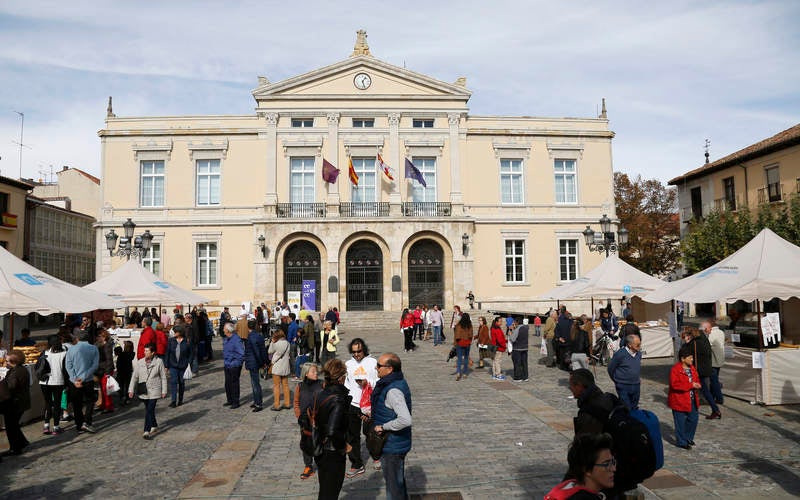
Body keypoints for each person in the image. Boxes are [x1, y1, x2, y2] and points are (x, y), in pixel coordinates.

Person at [372, 352, 412, 500]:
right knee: (398, 483)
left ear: (389, 369)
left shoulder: (393, 390)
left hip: (392, 445)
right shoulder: (394, 382)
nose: (376, 368)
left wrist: (384, 426)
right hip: (395, 443)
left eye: (379, 366)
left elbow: (405, 420)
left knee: (393, 489)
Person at [314, 358, 352, 500]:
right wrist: (344, 445)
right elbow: (332, 430)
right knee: (331, 491)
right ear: (341, 377)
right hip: (332, 451)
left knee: (325, 489)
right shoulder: (338, 399)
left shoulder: (321, 393)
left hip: (320, 447)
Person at [344, 338, 378, 478]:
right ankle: (356, 463)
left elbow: (380, 380)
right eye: (354, 352)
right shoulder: (348, 364)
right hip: (352, 404)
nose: (357, 354)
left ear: (364, 349)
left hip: (369, 404)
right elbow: (346, 383)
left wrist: (367, 382)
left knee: (371, 434)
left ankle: (376, 456)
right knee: (352, 436)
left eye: (359, 351)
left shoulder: (373, 362)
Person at [545, 433, 616, 499]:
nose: (613, 468)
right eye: (606, 464)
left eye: (612, 462)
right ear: (586, 469)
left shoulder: (568, 485)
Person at [128, 343, 167, 439]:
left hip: (155, 389)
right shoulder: (140, 362)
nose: (144, 352)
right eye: (144, 350)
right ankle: (154, 424)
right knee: (149, 410)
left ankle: (146, 430)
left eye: (147, 351)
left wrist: (164, 390)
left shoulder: (159, 362)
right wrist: (131, 390)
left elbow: (163, 377)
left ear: (153, 352)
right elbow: (134, 377)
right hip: (143, 390)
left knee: (149, 410)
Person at [65, 330, 99, 434]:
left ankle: (79, 424)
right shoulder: (94, 348)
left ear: (77, 338)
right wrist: (83, 377)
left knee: (77, 403)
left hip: (74, 381)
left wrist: (75, 378)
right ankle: (87, 422)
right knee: (89, 401)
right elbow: (95, 365)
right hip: (88, 379)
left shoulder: (71, 349)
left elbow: (68, 366)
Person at [294, 362, 323, 480]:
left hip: (319, 419)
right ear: (306, 374)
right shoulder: (300, 386)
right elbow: (296, 403)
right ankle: (308, 466)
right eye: (313, 371)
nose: (316, 373)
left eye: (316, 371)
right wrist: (299, 416)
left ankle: (322, 464)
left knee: (320, 442)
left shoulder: (322, 384)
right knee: (306, 444)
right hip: (305, 420)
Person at [669, 345, 701, 449]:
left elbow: (696, 379)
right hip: (679, 400)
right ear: (683, 359)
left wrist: (697, 384)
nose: (692, 359)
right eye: (690, 358)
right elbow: (674, 385)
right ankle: (681, 442)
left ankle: (688, 438)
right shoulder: (675, 370)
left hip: (692, 399)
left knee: (693, 419)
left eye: (692, 357)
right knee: (680, 422)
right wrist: (690, 385)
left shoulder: (692, 369)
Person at [568, 368, 618, 436]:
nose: (570, 388)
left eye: (571, 385)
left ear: (579, 386)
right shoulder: (606, 398)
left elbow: (587, 441)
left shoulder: (589, 411)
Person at [0, 350, 31, 455]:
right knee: (14, 424)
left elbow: (11, 387)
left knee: (11, 426)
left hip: (15, 403)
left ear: (13, 361)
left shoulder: (16, 372)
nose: (6, 362)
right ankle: (22, 442)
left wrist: (2, 382)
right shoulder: (22, 369)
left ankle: (15, 448)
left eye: (8, 360)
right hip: (21, 401)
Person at [687, 326, 720, 419]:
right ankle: (715, 409)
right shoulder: (705, 340)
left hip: (699, 370)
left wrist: (686, 343)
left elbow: (686, 353)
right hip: (706, 368)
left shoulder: (695, 343)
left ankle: (714, 409)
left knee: (702, 390)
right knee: (704, 389)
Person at [40, 335, 68, 435]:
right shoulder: (64, 354)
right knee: (57, 404)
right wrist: (67, 383)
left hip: (44, 382)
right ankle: (56, 427)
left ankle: (46, 426)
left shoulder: (44, 353)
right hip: (58, 381)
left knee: (48, 404)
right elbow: (65, 370)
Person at [607, 334, 642, 411]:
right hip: (623, 385)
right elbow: (610, 368)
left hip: (636, 385)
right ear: (630, 345)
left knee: (634, 407)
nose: (640, 346)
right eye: (638, 344)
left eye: (640, 344)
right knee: (626, 408)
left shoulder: (639, 353)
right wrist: (617, 380)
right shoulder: (620, 354)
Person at [244, 317, 268, 412]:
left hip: (254, 362)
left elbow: (256, 351)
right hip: (255, 361)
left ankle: (258, 403)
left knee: (255, 383)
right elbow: (262, 350)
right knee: (254, 383)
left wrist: (261, 362)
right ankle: (256, 401)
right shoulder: (259, 335)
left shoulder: (251, 336)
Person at [165, 325, 192, 407]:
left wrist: (189, 363)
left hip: (183, 365)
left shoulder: (187, 342)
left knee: (181, 383)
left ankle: (180, 399)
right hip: (173, 365)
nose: (173, 333)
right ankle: (173, 401)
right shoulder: (171, 341)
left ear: (179, 333)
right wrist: (166, 365)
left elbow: (191, 353)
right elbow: (167, 353)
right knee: (173, 382)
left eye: (175, 331)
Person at [702, 319, 726, 407]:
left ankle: (719, 398)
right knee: (714, 379)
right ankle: (712, 397)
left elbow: (707, 344)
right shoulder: (721, 332)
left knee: (714, 380)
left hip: (713, 360)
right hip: (719, 359)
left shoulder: (711, 334)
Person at [222, 322, 244, 409]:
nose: (223, 330)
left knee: (234, 383)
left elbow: (241, 353)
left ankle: (235, 401)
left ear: (228, 330)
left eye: (224, 328)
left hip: (234, 365)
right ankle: (229, 399)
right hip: (227, 364)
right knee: (227, 383)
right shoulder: (226, 339)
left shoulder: (236, 339)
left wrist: (235, 361)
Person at [268, 330, 292, 411]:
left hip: (277, 366)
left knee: (276, 386)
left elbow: (270, 351)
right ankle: (287, 403)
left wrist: (272, 342)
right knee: (285, 385)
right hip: (285, 366)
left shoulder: (276, 344)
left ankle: (277, 405)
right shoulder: (287, 343)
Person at [95, 329, 116, 413]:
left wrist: (107, 372)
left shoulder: (107, 345)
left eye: (100, 336)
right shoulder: (100, 344)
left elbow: (109, 359)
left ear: (104, 337)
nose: (98, 337)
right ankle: (103, 405)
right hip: (101, 369)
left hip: (106, 370)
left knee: (106, 389)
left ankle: (108, 406)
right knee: (102, 389)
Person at [453, 312, 473, 381]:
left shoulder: (459, 324)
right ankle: (464, 373)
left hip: (460, 343)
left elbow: (456, 335)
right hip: (467, 343)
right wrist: (469, 341)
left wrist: (455, 343)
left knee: (459, 358)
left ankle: (458, 372)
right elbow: (471, 335)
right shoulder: (469, 325)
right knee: (466, 358)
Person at [509, 316, 530, 381]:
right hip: (525, 348)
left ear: (517, 322)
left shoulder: (517, 329)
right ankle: (525, 376)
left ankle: (518, 377)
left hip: (517, 349)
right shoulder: (526, 328)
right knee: (524, 363)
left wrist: (510, 332)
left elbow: (513, 339)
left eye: (514, 322)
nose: (514, 323)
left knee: (517, 363)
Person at [116, 341, 135, 406]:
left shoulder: (122, 354)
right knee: (127, 386)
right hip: (128, 371)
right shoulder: (132, 353)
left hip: (121, 372)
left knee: (121, 386)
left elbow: (118, 364)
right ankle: (127, 399)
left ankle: (122, 398)